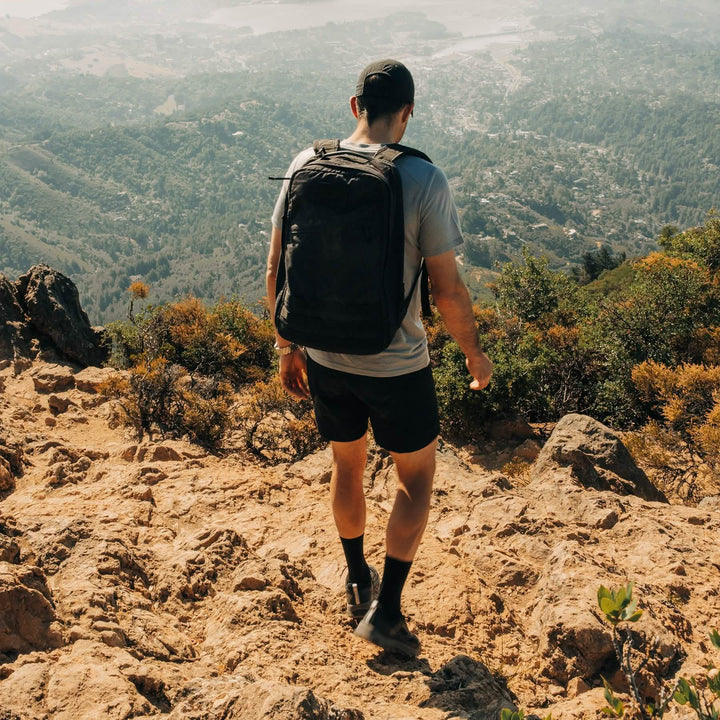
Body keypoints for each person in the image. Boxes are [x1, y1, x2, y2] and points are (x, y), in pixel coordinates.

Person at [266, 59, 493, 657]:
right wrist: (474, 354)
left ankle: (355, 576)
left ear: (354, 107)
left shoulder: (303, 164)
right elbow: (447, 290)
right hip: (395, 365)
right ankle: (387, 611)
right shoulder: (423, 179)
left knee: (346, 466)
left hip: (323, 357)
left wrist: (288, 348)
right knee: (415, 479)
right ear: (408, 112)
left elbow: (276, 270)